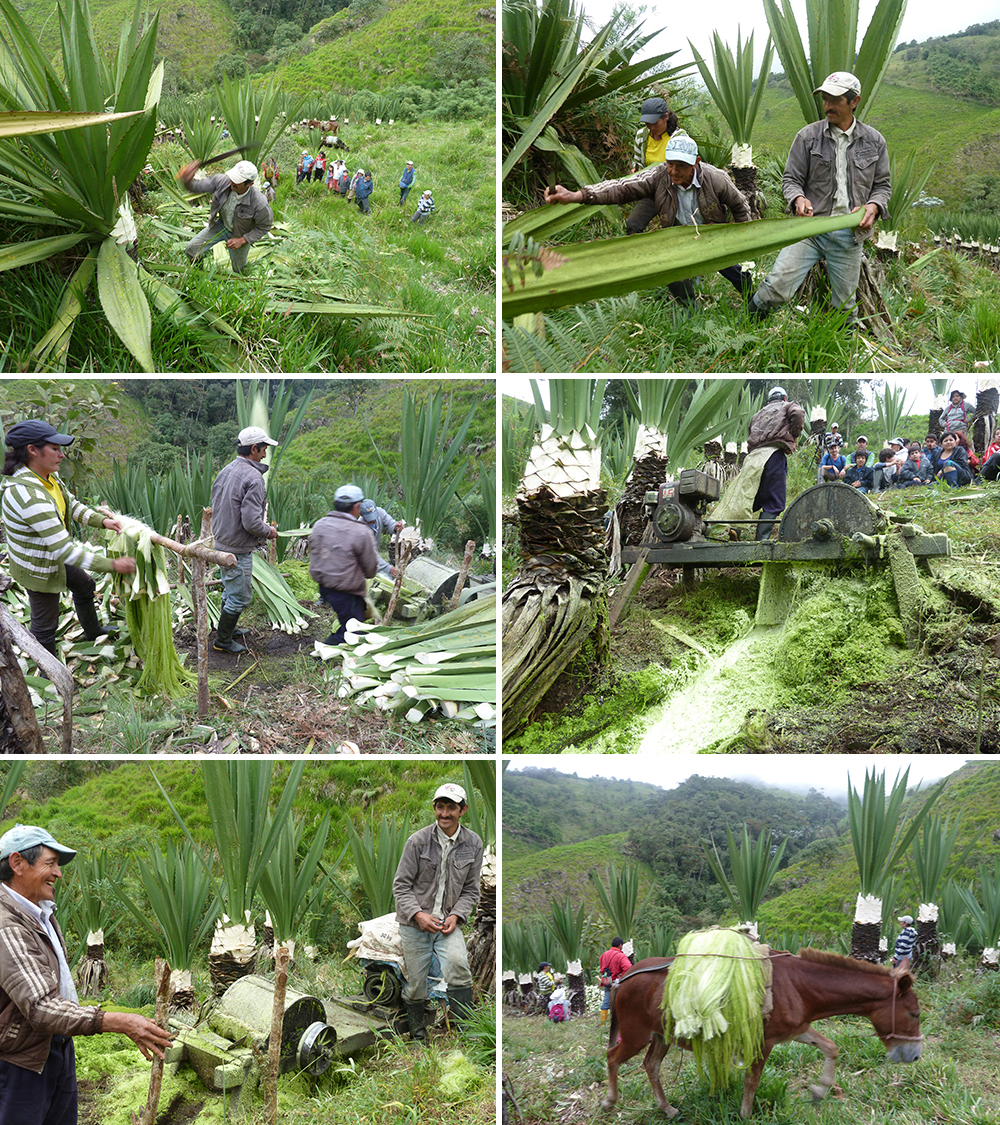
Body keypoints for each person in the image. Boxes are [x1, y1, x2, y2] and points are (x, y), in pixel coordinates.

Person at [0, 824, 173, 1123]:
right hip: (21, 1064)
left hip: (57, 1047)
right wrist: (119, 1022)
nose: (58, 873)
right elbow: (40, 1006)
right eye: (50, 863)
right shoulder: (7, 926)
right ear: (17, 863)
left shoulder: (41, 912)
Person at [544, 135, 753, 307]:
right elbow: (621, 186)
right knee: (673, 272)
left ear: (696, 163)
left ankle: (755, 304)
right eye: (670, 164)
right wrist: (577, 195)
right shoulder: (659, 176)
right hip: (678, 237)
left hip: (711, 235)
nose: (673, 171)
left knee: (737, 272)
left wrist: (742, 243)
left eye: (681, 166)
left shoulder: (716, 179)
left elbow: (740, 206)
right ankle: (690, 309)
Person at [749, 71, 890, 323]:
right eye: (825, 98)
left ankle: (844, 355)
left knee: (845, 308)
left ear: (854, 101)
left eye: (835, 100)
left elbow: (882, 186)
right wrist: (798, 199)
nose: (827, 106)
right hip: (808, 230)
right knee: (776, 287)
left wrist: (874, 206)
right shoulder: (807, 137)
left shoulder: (874, 141)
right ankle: (745, 330)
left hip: (849, 234)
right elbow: (791, 179)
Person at [0, 420, 135, 656]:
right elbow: (65, 551)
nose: (62, 455)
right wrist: (112, 565)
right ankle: (51, 677)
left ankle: (92, 631)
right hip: (38, 566)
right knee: (45, 626)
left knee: (85, 585)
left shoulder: (47, 477)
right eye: (55, 449)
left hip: (53, 554)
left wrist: (102, 521)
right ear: (33, 450)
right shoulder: (29, 495)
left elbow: (70, 504)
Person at [393, 783, 483, 1043]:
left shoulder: (473, 844)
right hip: (415, 925)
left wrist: (456, 916)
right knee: (416, 985)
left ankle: (466, 1035)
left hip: (447, 924)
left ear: (463, 810)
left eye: (451, 808)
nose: (445, 813)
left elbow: (471, 890)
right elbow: (401, 885)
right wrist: (418, 915)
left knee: (458, 967)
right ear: (434, 808)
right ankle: (419, 1037)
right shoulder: (417, 842)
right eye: (440, 807)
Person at [209, 425, 280, 654]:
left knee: (230, 589)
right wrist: (268, 531)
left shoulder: (226, 470)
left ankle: (227, 629)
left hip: (221, 539)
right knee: (239, 596)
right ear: (254, 448)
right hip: (237, 546)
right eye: (263, 449)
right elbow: (251, 522)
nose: (264, 454)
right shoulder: (254, 478)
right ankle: (223, 640)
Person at [308, 485, 378, 645]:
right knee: (352, 631)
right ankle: (321, 655)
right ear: (356, 506)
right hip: (347, 592)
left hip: (324, 587)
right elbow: (370, 570)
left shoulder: (320, 524)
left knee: (348, 623)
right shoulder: (360, 532)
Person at [178, 159, 273, 274]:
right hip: (221, 226)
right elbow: (197, 187)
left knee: (239, 269)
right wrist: (187, 180)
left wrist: (243, 240)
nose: (232, 183)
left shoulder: (259, 202)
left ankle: (239, 284)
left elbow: (264, 226)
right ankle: (198, 271)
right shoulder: (223, 181)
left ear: (249, 184)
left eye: (237, 181)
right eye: (233, 178)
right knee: (191, 249)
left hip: (240, 234)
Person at [627, 97, 681, 235]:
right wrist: (635, 170)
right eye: (647, 123)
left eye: (655, 123)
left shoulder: (679, 138)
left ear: (666, 117)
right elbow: (638, 161)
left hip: (674, 191)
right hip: (651, 189)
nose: (651, 127)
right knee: (633, 225)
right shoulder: (641, 136)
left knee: (674, 231)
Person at [358, 498, 404, 579]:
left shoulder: (380, 512)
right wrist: (388, 568)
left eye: (373, 517)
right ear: (361, 514)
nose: (372, 521)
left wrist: (396, 526)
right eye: (369, 519)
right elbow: (369, 554)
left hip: (374, 558)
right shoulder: (360, 529)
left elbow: (390, 523)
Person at [598, 937, 631, 1025]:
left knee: (606, 1000)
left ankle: (603, 1023)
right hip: (617, 982)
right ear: (620, 945)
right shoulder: (621, 955)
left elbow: (602, 968)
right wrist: (621, 976)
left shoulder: (604, 954)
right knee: (621, 1001)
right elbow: (628, 967)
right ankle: (621, 1022)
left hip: (606, 980)